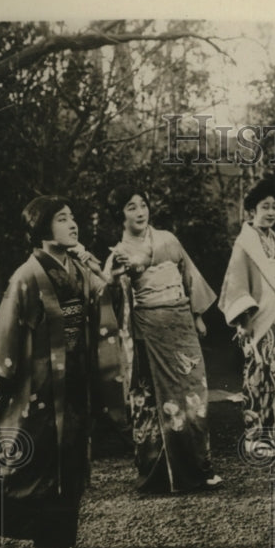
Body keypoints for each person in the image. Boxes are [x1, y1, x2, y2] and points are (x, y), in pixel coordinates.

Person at [0, 196, 117, 548]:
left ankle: (53, 539)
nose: (72, 224)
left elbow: (106, 292)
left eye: (73, 217)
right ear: (42, 227)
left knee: (68, 462)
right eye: (63, 219)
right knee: (25, 462)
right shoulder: (26, 275)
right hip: (37, 385)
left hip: (74, 379)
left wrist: (90, 260)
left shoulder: (78, 269)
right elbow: (7, 330)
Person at [108, 185, 222, 494]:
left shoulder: (168, 240)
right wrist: (121, 276)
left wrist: (197, 314)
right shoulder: (119, 252)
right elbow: (116, 297)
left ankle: (201, 466)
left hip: (181, 320)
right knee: (156, 400)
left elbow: (188, 275)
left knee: (195, 394)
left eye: (142, 204)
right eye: (131, 207)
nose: (140, 211)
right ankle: (158, 474)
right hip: (149, 327)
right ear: (120, 214)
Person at [218, 179, 275, 456]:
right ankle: (254, 437)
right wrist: (245, 321)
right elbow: (236, 283)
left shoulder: (274, 238)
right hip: (255, 318)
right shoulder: (245, 243)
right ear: (251, 210)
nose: (271, 212)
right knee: (256, 374)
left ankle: (273, 434)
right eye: (265, 207)